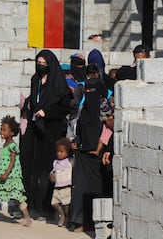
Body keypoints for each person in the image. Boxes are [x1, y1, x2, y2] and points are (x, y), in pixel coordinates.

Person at [21, 49, 71, 220]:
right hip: (36, 130)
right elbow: (34, 100)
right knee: (33, 169)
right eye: (39, 63)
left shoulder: (58, 84)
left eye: (44, 64)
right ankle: (33, 205)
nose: (41, 66)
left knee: (48, 170)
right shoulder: (35, 80)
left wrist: (47, 112)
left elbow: (64, 107)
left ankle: (47, 209)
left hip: (51, 130)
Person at [70, 64, 107, 233]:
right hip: (83, 153)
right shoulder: (84, 109)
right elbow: (79, 128)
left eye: (94, 91)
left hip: (97, 155)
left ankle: (95, 222)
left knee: (96, 189)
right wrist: (77, 142)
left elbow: (108, 129)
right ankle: (80, 221)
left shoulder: (104, 108)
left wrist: (99, 148)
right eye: (88, 91)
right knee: (80, 188)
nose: (90, 94)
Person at [49, 137, 73, 227]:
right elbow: (53, 171)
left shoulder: (70, 162)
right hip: (57, 187)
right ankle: (62, 215)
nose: (59, 153)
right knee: (54, 203)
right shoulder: (55, 162)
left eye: (61, 151)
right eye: (58, 151)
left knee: (66, 205)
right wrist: (51, 176)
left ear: (67, 152)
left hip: (66, 188)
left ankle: (67, 217)